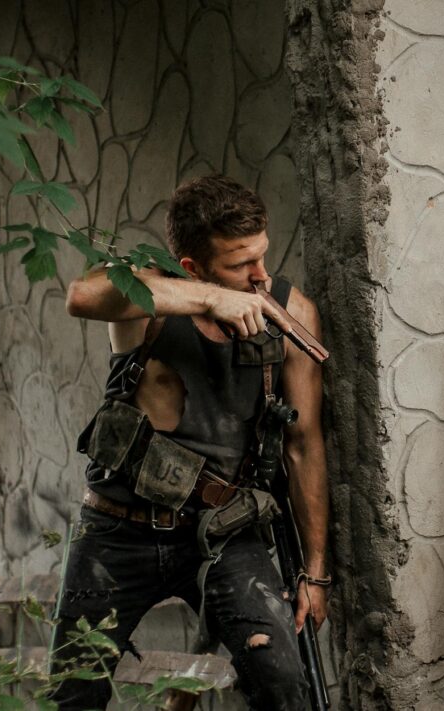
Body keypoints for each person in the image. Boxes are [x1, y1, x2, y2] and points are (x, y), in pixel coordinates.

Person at [52, 174, 328, 710]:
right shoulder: (150, 297)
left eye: (262, 256)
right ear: (193, 268)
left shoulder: (289, 312)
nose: (260, 275)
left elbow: (303, 444)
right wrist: (208, 300)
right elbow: (82, 295)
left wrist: (316, 573)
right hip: (117, 532)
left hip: (224, 534)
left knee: (283, 683)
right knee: (71, 695)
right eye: (239, 265)